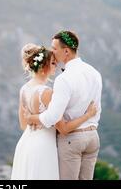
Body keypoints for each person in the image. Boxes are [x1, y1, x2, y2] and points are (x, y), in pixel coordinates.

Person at [11, 41, 97, 180]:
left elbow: (23, 124)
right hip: (44, 147)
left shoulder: (24, 89)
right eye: (52, 63)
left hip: (26, 144)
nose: (56, 65)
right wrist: (88, 115)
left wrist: (34, 118)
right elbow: (63, 127)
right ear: (43, 66)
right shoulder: (47, 92)